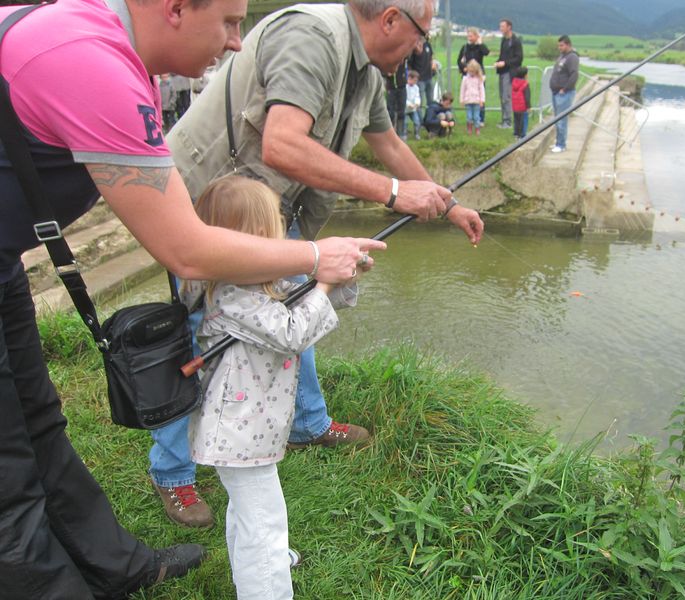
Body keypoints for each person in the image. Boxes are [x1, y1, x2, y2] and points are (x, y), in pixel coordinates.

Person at [0, 0, 385, 596]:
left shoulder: (118, 57)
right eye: (230, 21)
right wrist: (315, 257)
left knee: (37, 417)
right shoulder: (90, 61)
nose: (238, 42)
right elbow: (188, 249)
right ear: (176, 8)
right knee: (6, 465)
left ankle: (110, 563)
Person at [164, 0, 484, 528]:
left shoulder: (366, 72)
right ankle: (172, 471)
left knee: (297, 304)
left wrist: (448, 205)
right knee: (201, 338)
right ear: (390, 20)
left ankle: (307, 423)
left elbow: (389, 143)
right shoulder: (313, 38)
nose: (419, 49)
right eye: (421, 36)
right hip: (215, 205)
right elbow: (282, 144)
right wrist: (393, 193)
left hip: (271, 209)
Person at [183, 175, 361, 600]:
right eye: (277, 227)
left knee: (250, 514)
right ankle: (266, 579)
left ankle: (257, 564)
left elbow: (301, 297)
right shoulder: (233, 294)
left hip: (247, 431)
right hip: (238, 434)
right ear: (256, 237)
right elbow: (292, 331)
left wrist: (342, 276)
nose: (283, 235)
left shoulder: (254, 284)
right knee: (264, 524)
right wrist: (325, 282)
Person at [549, 35, 579, 153]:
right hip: (556, 92)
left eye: (561, 45)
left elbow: (574, 75)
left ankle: (561, 144)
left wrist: (565, 89)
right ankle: (558, 141)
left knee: (561, 120)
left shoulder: (572, 57)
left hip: (564, 93)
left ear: (568, 45)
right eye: (558, 45)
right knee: (557, 119)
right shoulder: (562, 56)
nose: (559, 48)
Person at [494, 18, 522, 130]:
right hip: (502, 71)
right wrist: (498, 62)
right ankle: (504, 120)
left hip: (510, 73)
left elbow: (519, 58)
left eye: (502, 26)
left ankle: (508, 121)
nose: (500, 28)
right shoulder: (504, 40)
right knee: (502, 96)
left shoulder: (515, 41)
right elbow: (502, 56)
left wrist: (505, 63)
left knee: (507, 97)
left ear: (509, 27)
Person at [457, 27, 490, 125]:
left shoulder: (480, 47)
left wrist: (480, 43)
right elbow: (459, 60)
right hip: (468, 75)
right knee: (469, 95)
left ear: (476, 36)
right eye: (468, 36)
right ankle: (470, 118)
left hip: (479, 75)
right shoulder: (465, 47)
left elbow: (486, 52)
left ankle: (480, 118)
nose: (469, 38)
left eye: (471, 36)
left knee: (480, 94)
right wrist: (463, 68)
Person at [459, 60, 485, 136]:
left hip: (476, 101)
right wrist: (462, 100)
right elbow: (462, 90)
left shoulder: (479, 79)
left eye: (473, 72)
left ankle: (477, 128)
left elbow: (482, 90)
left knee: (476, 116)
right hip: (468, 101)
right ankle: (469, 128)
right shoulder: (465, 79)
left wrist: (482, 100)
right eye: (470, 71)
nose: (471, 73)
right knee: (469, 116)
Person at [408, 37, 434, 110]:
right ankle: (419, 117)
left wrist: (433, 64)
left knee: (430, 100)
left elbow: (431, 57)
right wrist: (413, 75)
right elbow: (409, 62)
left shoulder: (428, 44)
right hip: (419, 79)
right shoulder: (415, 46)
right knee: (419, 101)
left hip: (429, 76)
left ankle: (430, 115)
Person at [385, 57, 407, 139]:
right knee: (390, 112)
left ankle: (400, 133)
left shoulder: (402, 57)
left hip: (402, 86)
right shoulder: (388, 58)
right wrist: (387, 73)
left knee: (401, 112)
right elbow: (381, 69)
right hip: (391, 88)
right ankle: (390, 133)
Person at [511, 66, 531, 140]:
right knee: (523, 120)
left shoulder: (514, 82)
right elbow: (527, 96)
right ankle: (522, 134)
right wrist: (528, 106)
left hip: (515, 105)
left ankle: (516, 133)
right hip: (523, 106)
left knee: (516, 120)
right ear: (525, 75)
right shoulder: (525, 84)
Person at [405, 69, 422, 140]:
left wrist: (417, 103)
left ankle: (417, 134)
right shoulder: (405, 87)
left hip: (413, 109)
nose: (415, 82)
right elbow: (403, 98)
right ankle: (404, 135)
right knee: (405, 123)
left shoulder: (416, 88)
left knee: (417, 121)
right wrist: (409, 104)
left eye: (416, 81)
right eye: (414, 80)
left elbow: (417, 96)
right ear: (409, 78)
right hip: (405, 109)